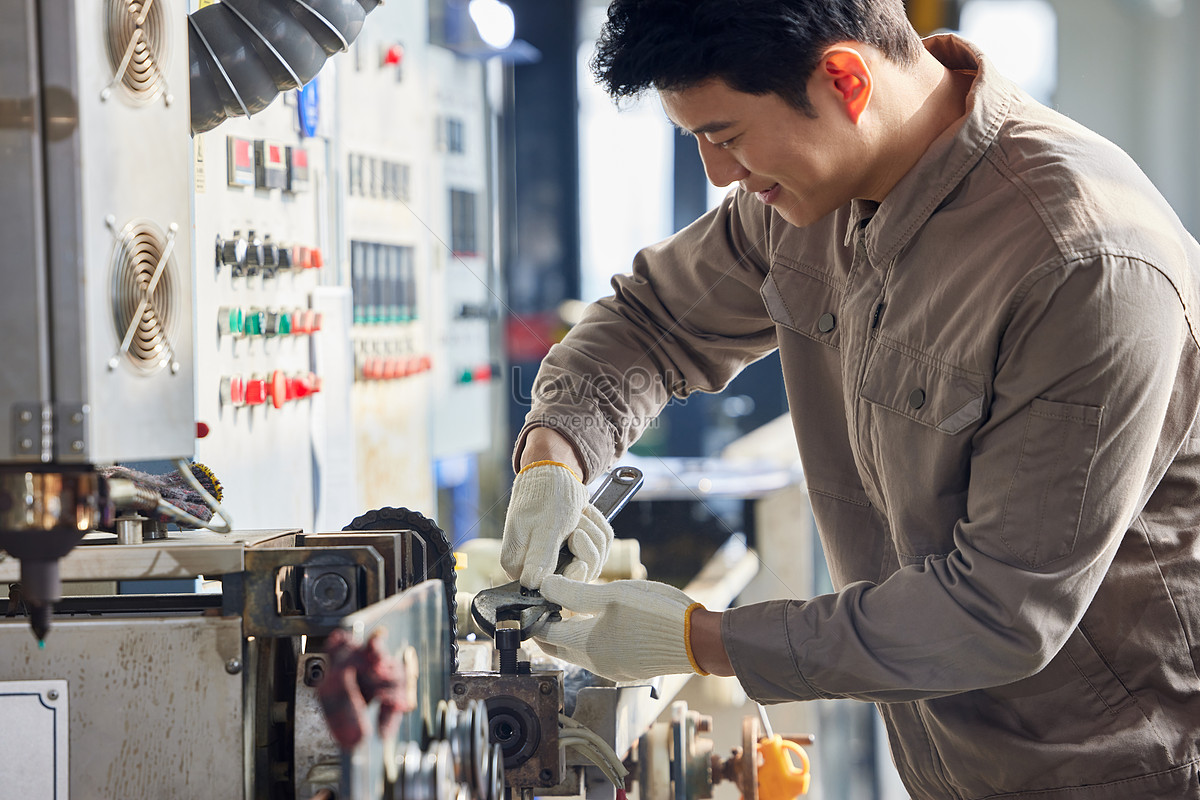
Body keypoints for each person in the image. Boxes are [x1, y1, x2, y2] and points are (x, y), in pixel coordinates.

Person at [499, 1, 1200, 797]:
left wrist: (702, 639)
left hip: (1120, 774)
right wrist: (557, 453)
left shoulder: (1083, 265)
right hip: (947, 762)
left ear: (845, 79)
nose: (717, 173)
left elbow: (998, 614)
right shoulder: (804, 203)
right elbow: (652, 320)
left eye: (726, 136)